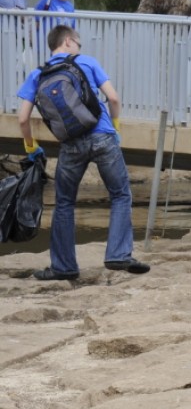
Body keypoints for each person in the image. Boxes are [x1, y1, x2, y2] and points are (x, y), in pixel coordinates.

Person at [16, 25, 149, 280]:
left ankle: (64, 267)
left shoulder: (37, 74)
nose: (80, 47)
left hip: (70, 144)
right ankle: (118, 255)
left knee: (64, 202)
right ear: (68, 41)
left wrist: (31, 147)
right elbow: (114, 99)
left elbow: (23, 118)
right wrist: (116, 127)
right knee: (120, 195)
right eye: (78, 42)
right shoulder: (86, 62)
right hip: (102, 137)